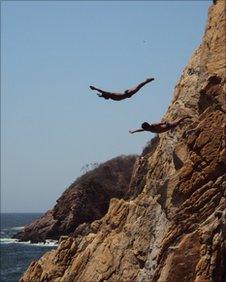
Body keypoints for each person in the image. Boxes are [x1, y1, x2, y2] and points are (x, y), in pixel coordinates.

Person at [90, 78, 154, 101]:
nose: (105, 99)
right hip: (127, 94)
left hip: (128, 93)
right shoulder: (110, 96)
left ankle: (146, 81)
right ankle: (146, 81)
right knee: (138, 87)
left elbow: (102, 91)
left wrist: (95, 88)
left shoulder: (110, 94)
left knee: (139, 87)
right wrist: (100, 95)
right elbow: (103, 95)